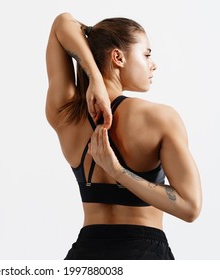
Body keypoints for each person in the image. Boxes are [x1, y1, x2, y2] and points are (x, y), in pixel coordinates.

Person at [45, 13, 202, 260]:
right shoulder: (160, 118)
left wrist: (95, 78)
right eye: (147, 54)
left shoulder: (66, 115)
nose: (153, 64)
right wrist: (118, 172)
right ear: (118, 57)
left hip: (85, 255)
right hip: (145, 254)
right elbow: (190, 208)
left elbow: (62, 24)